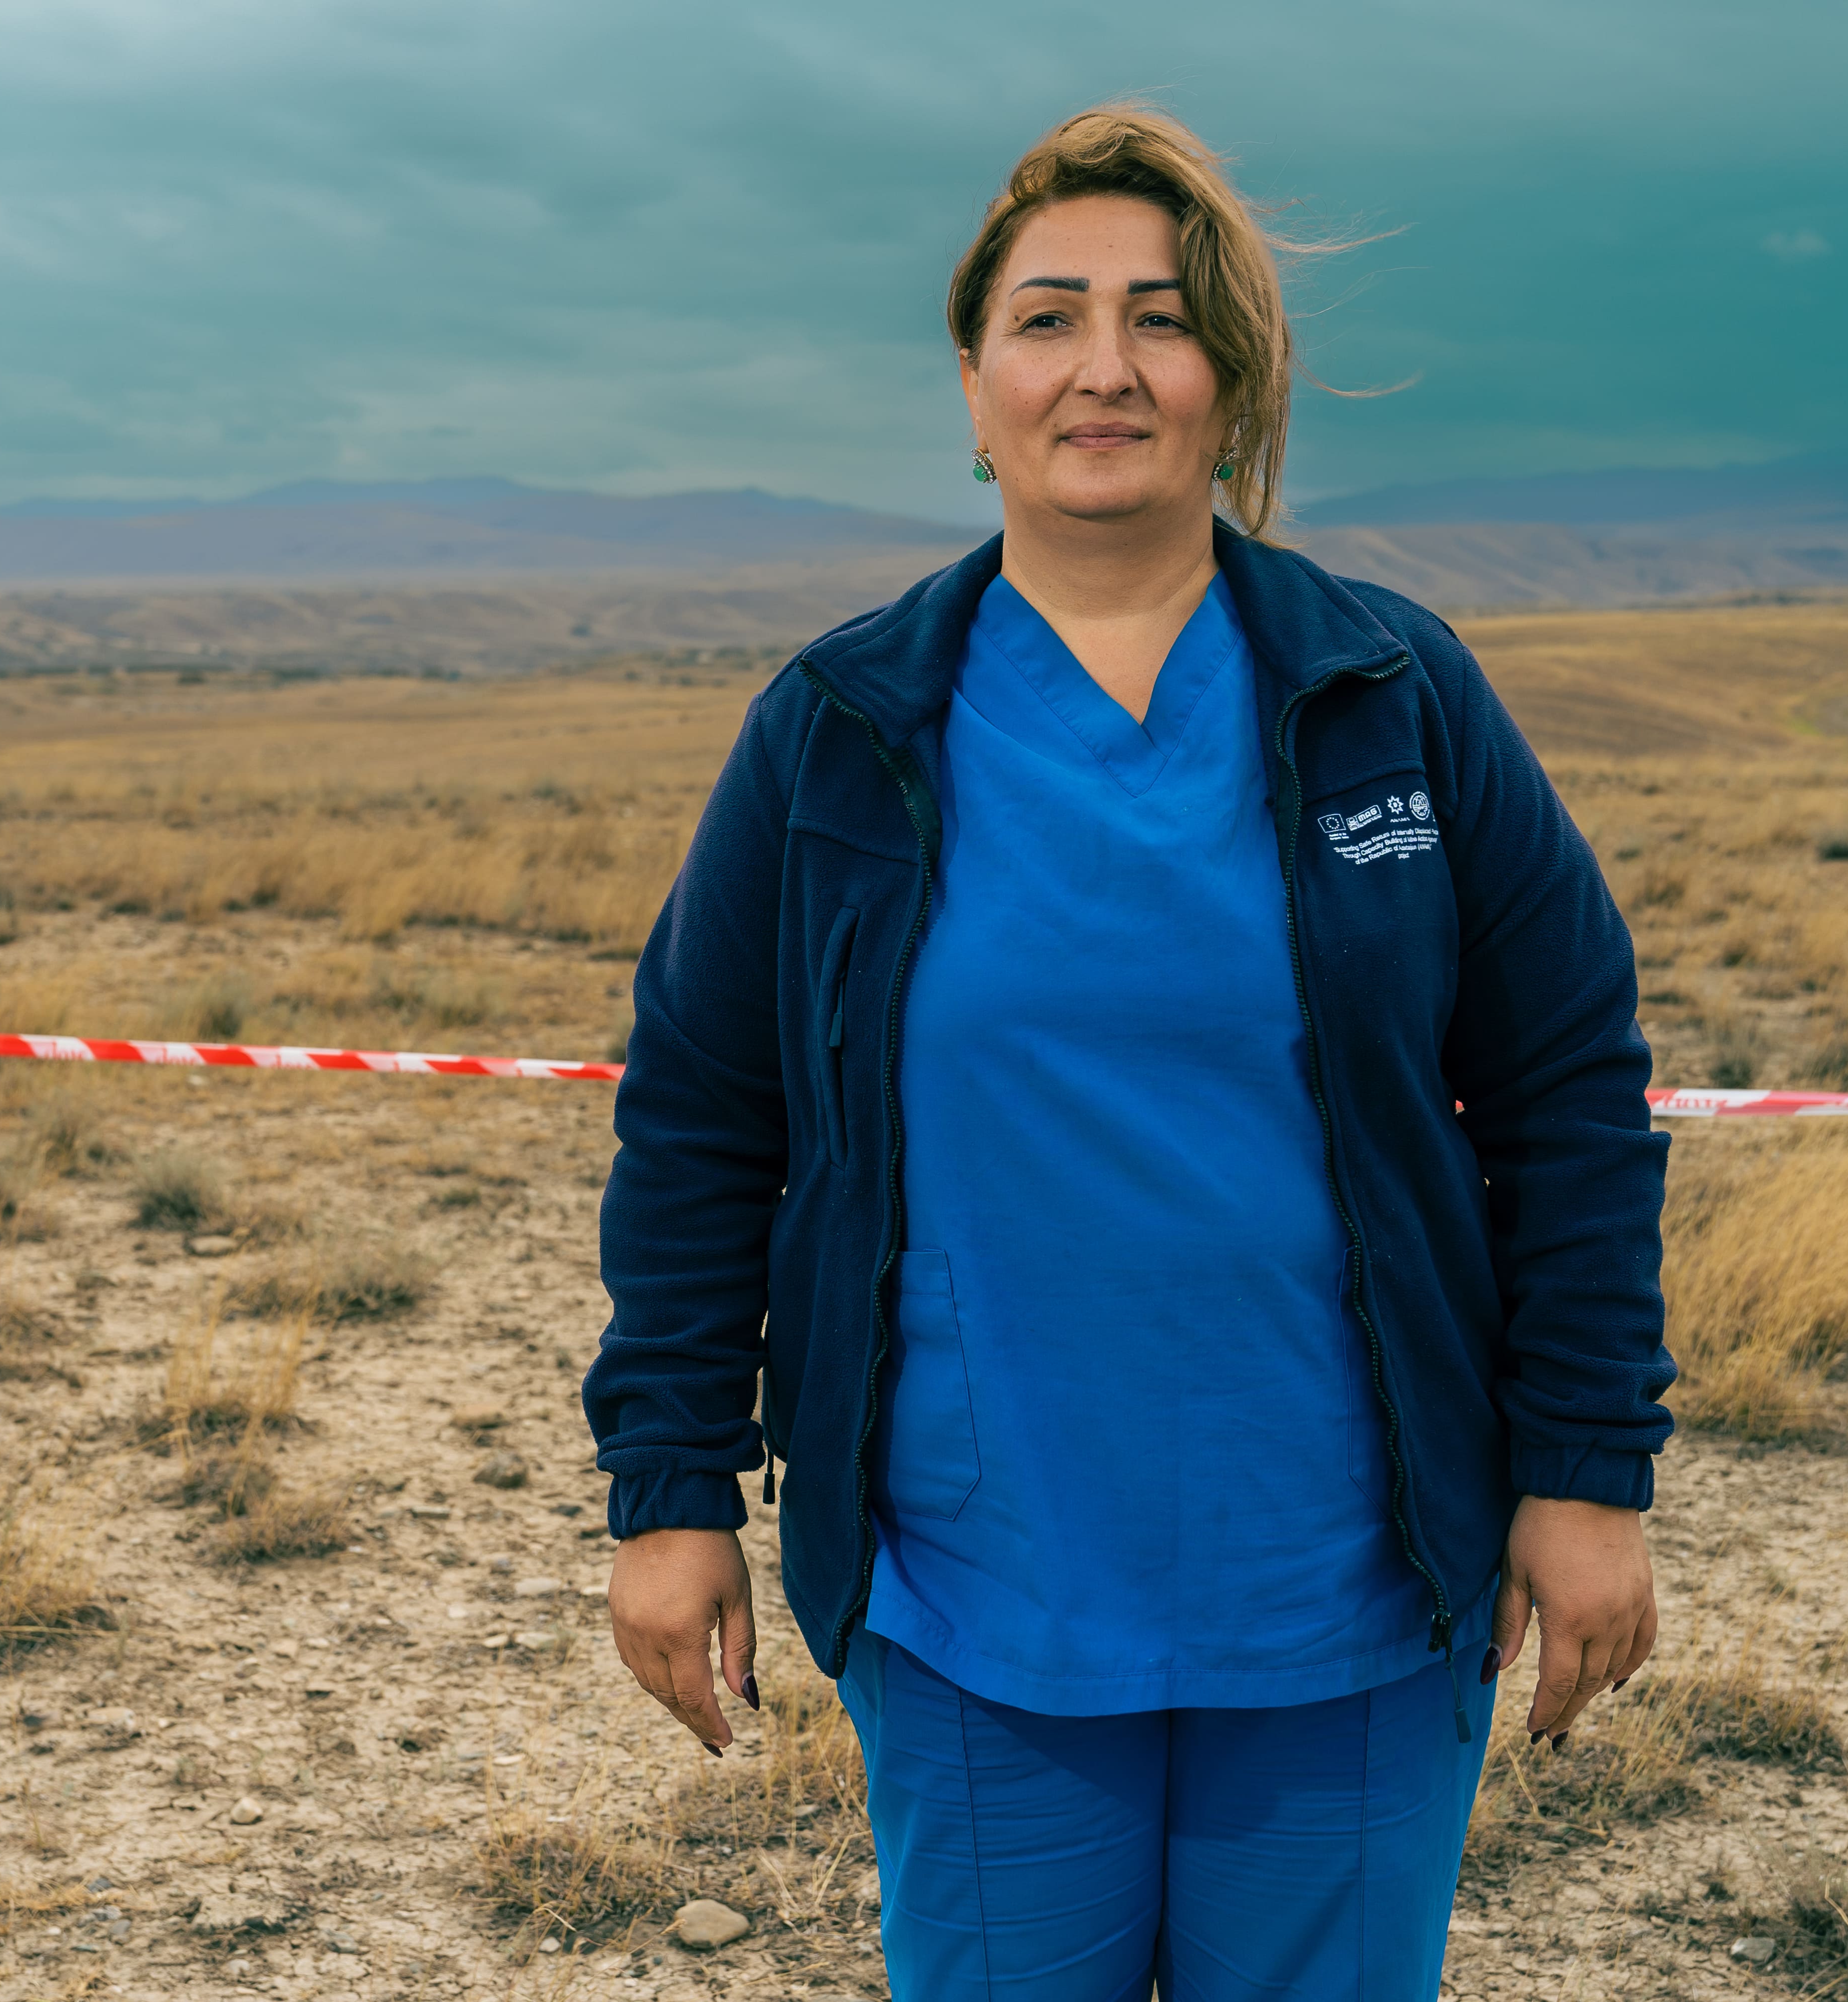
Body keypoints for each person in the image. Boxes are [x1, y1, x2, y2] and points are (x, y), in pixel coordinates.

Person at [582, 102, 1672, 2001]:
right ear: (976, 383)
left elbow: (1571, 1091)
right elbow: (703, 1123)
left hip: (1352, 1586)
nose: (1106, 367)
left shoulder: (1388, 697)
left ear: (1231, 386)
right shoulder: (842, 730)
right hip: (979, 1593)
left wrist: (1585, 1472)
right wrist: (673, 1491)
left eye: (1163, 322)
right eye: (1048, 318)